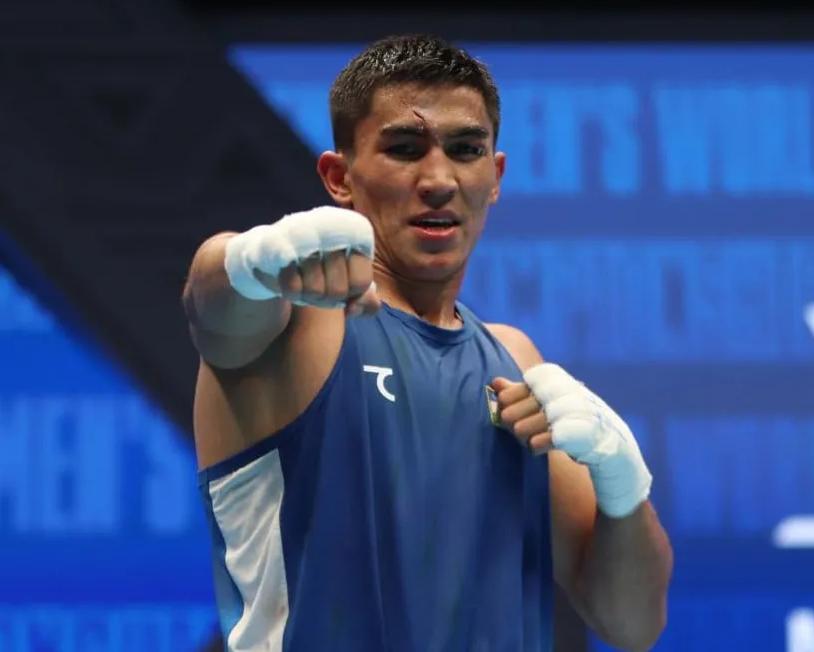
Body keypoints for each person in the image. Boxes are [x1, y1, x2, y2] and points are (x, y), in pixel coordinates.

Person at [183, 34, 673, 652]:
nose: (439, 180)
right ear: (339, 177)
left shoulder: (514, 362)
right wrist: (246, 259)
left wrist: (623, 481)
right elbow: (212, 310)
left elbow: (633, 624)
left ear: (494, 177)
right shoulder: (300, 324)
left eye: (465, 150)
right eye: (405, 149)